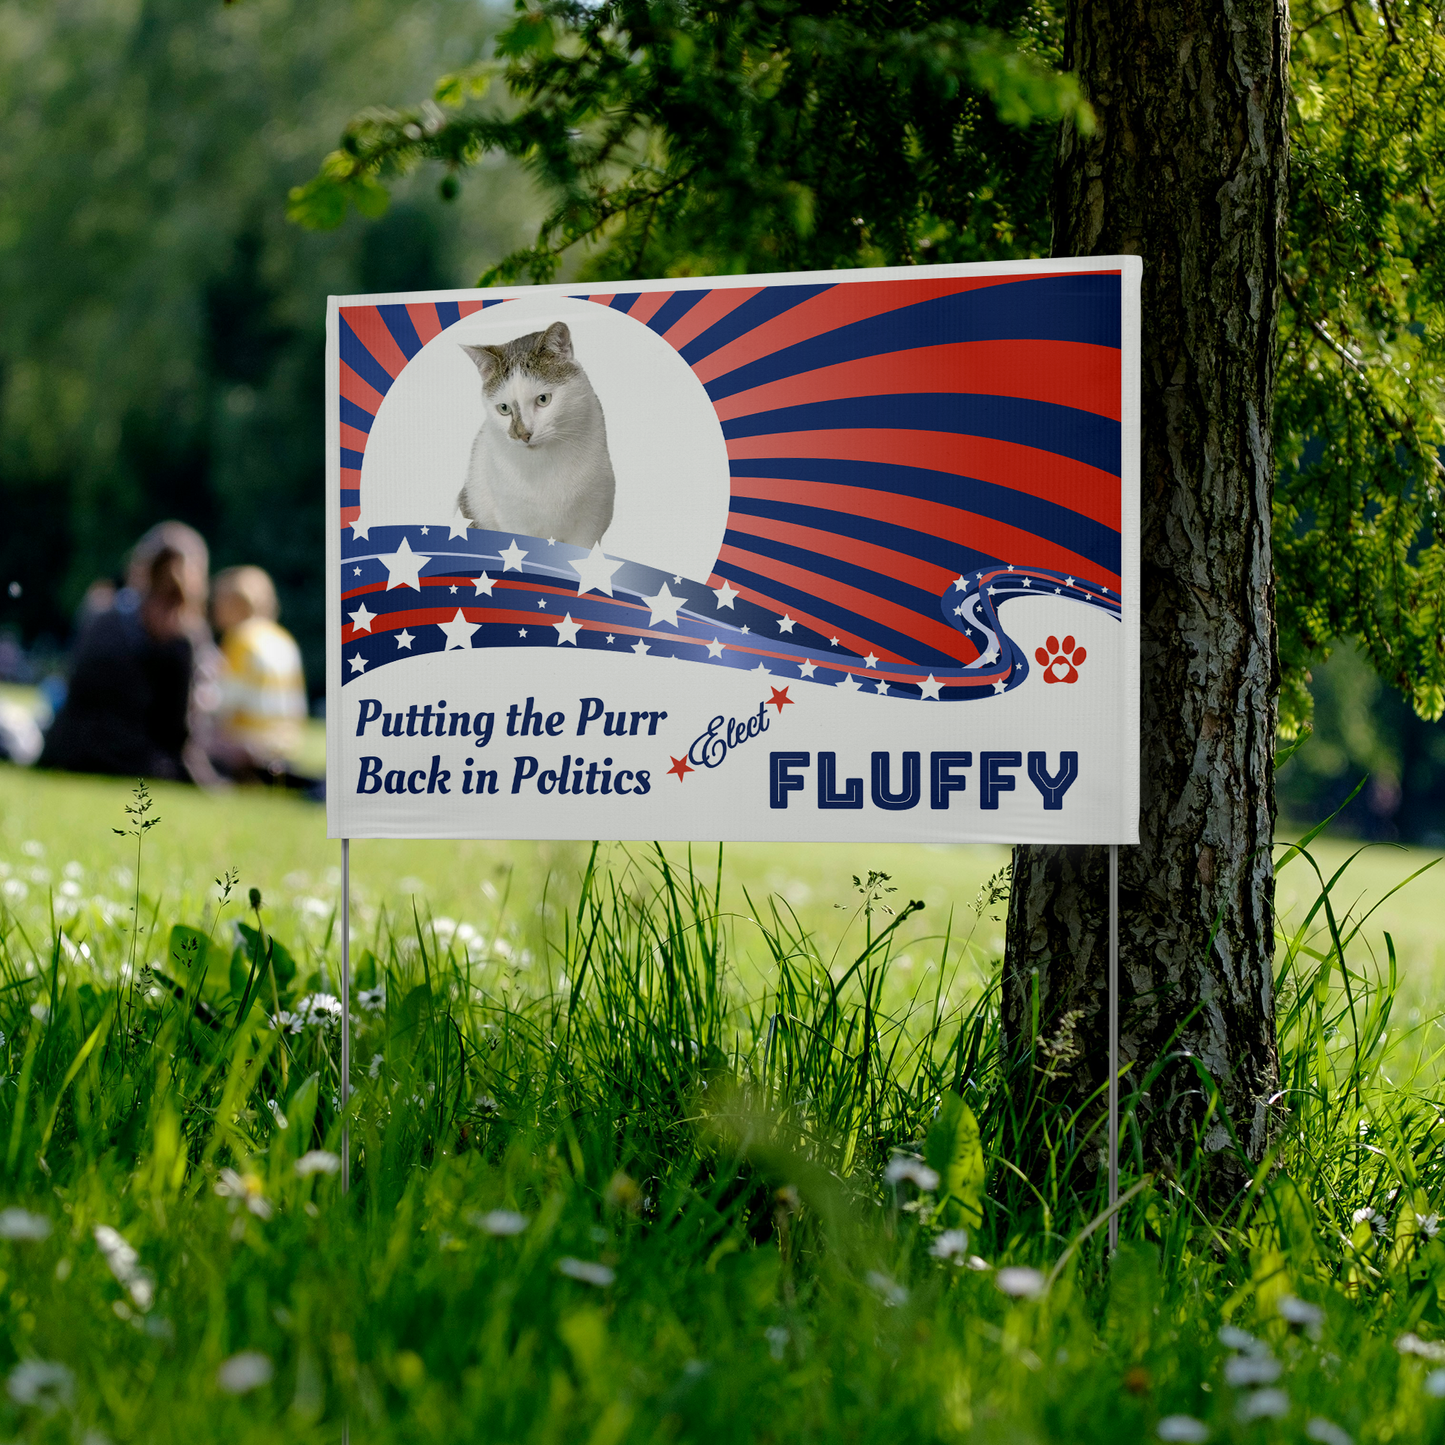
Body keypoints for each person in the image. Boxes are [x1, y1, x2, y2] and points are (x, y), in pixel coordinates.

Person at [39, 521, 221, 784]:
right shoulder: (182, 637)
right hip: (130, 759)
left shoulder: (102, 615)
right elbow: (177, 732)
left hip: (66, 750)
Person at [209, 565, 308, 778]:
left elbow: (222, 704)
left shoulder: (240, 639)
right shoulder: (284, 639)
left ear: (234, 603)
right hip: (285, 746)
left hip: (247, 745)